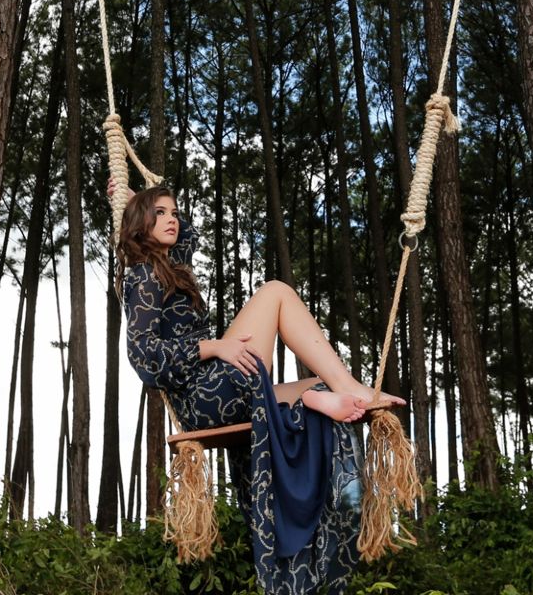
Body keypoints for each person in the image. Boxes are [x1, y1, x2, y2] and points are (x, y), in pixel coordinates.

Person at [113, 181, 403, 593]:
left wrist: (131, 197)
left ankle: (314, 396)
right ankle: (350, 386)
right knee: (275, 292)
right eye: (159, 213)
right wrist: (216, 346)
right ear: (140, 223)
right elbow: (144, 357)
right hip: (201, 396)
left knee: (313, 382)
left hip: (216, 389)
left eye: (174, 212)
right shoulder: (141, 275)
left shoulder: (168, 266)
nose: (172, 219)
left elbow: (187, 233)